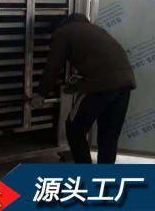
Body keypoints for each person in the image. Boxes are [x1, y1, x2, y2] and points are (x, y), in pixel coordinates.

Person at [31, 13, 136, 164]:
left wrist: (41, 94)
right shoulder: (94, 30)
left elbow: (53, 66)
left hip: (99, 86)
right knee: (108, 137)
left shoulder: (62, 33)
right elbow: (100, 62)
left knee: (74, 129)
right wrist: (77, 83)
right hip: (125, 83)